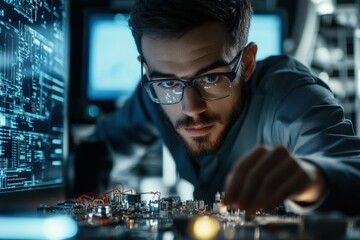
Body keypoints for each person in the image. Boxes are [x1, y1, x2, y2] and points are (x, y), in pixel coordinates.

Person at [73, 0, 360, 216]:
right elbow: (102, 146)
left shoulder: (289, 94)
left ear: (246, 63)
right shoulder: (153, 94)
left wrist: (311, 179)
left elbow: (352, 170)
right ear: (148, 73)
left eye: (211, 78)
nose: (191, 107)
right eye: (169, 83)